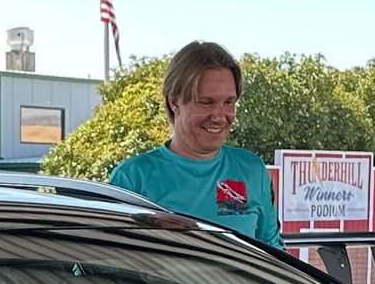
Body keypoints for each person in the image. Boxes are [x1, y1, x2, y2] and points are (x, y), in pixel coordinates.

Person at [107, 40, 282, 251]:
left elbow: (274, 253)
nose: (219, 116)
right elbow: (108, 261)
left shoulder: (251, 169)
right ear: (174, 102)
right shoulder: (133, 178)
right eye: (206, 102)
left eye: (228, 102)